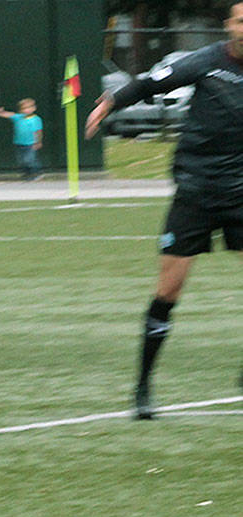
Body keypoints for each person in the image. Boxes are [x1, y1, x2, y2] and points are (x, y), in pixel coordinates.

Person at [85, 3, 243, 419]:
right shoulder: (206, 63)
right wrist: (110, 102)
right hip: (196, 191)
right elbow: (150, 83)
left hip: (242, 194)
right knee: (168, 291)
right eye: (241, 20)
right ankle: (143, 387)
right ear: (229, 26)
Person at [0, 98, 43, 180]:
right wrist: (0, 112)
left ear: (34, 108)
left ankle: (35, 172)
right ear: (20, 110)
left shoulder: (36, 119)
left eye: (29, 108)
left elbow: (38, 131)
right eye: (24, 108)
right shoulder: (18, 117)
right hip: (19, 142)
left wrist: (38, 142)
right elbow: (9, 114)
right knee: (21, 160)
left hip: (30, 143)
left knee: (29, 159)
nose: (27, 110)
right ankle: (26, 173)